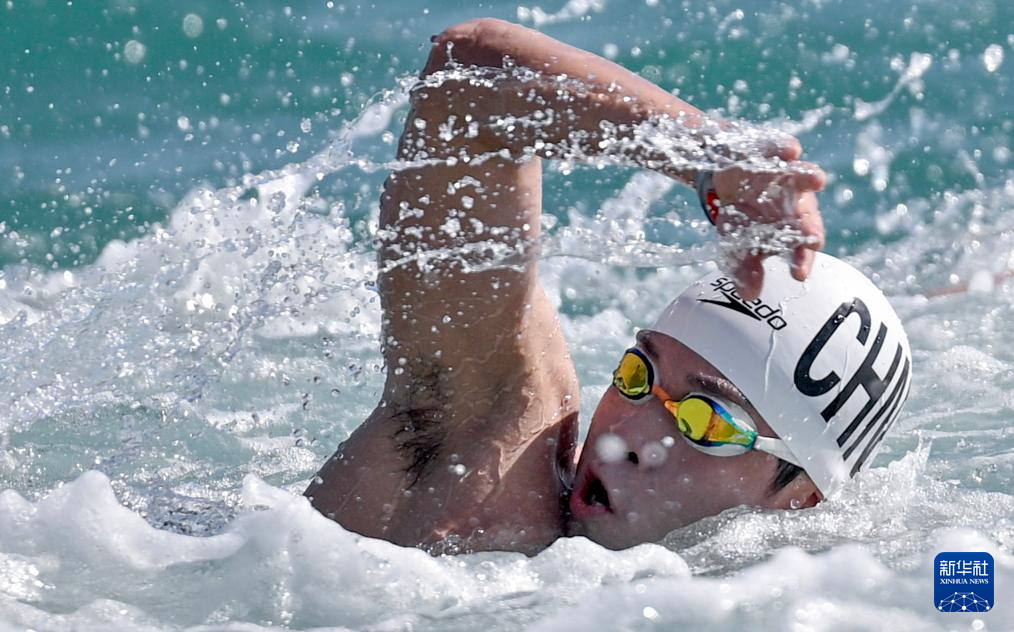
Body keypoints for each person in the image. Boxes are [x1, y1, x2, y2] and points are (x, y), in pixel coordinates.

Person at [304, 18, 911, 554]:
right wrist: (704, 154)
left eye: (707, 422)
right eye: (637, 376)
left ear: (800, 500)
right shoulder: (491, 457)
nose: (627, 436)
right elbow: (464, 75)